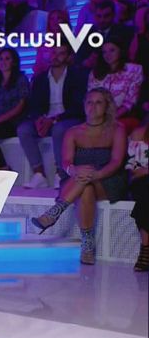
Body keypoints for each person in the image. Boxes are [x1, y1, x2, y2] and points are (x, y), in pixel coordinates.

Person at [31, 88, 128, 265]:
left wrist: (96, 174)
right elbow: (66, 162)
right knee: (86, 189)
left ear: (107, 106)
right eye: (89, 102)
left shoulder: (117, 129)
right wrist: (74, 171)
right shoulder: (73, 132)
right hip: (79, 180)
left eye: (98, 102)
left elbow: (116, 162)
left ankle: (54, 213)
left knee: (86, 183)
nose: (93, 106)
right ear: (84, 106)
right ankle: (88, 245)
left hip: (107, 180)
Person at [17, 44, 88, 189]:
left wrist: (54, 120)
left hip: (68, 119)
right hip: (47, 118)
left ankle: (61, 174)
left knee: (59, 129)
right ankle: (39, 174)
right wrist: (39, 119)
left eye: (61, 53)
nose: (55, 56)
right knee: (23, 129)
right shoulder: (40, 78)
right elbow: (34, 105)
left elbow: (78, 106)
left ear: (68, 57)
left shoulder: (78, 76)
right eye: (53, 53)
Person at [125, 125, 148, 271]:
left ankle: (145, 248)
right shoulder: (139, 134)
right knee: (146, 189)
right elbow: (133, 167)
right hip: (142, 181)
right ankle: (146, 247)